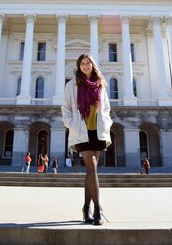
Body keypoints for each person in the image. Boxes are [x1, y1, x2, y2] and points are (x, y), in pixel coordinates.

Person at [62, 53, 112, 225]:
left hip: (97, 131)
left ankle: (86, 208)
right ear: (79, 66)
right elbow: (66, 107)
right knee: (92, 166)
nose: (85, 66)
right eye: (82, 63)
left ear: (93, 65)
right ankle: (98, 209)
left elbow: (106, 107)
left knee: (91, 171)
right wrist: (71, 124)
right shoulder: (72, 85)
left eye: (88, 63)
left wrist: (106, 121)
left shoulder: (101, 84)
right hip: (81, 131)